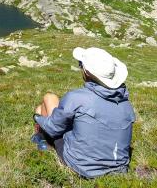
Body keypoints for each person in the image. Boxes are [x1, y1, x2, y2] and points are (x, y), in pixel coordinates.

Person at [32, 47, 136, 179]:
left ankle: (41, 140)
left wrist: (37, 117)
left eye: (80, 65)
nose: (80, 67)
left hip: (81, 166)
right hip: (119, 168)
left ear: (86, 72)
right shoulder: (126, 105)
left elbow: (53, 128)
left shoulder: (77, 98)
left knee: (48, 99)